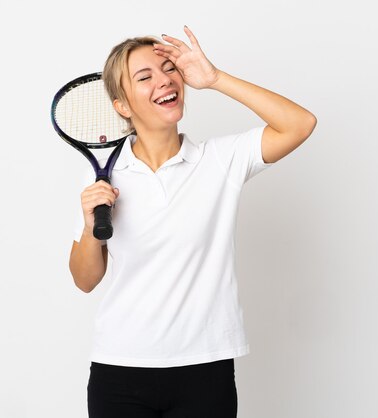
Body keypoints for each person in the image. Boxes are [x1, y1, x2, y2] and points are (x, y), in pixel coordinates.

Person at [69, 26, 317, 418]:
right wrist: (88, 229)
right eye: (144, 76)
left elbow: (299, 123)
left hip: (205, 367)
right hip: (120, 369)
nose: (165, 79)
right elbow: (85, 280)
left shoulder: (221, 161)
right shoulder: (102, 178)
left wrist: (215, 79)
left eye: (169, 68)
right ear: (122, 105)